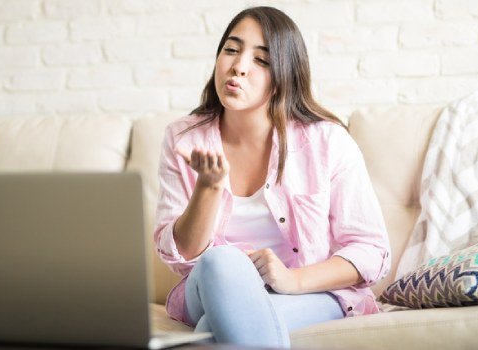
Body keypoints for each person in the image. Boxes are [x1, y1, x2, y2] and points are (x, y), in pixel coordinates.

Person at [153, 6, 391, 348]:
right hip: (207, 285)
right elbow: (181, 255)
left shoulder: (327, 141)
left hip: (307, 292)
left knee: (211, 328)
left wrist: (292, 280)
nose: (238, 66)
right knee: (220, 260)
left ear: (283, 76)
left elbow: (372, 251)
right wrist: (208, 188)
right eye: (231, 50)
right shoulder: (183, 138)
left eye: (261, 60)